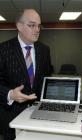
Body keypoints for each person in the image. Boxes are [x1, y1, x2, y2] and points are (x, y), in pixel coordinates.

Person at [0, 9, 52, 140]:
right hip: (12, 115)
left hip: (39, 113)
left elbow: (46, 78)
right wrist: (10, 94)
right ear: (19, 26)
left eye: (39, 26)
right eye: (32, 25)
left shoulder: (44, 50)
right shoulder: (3, 50)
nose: (37, 29)